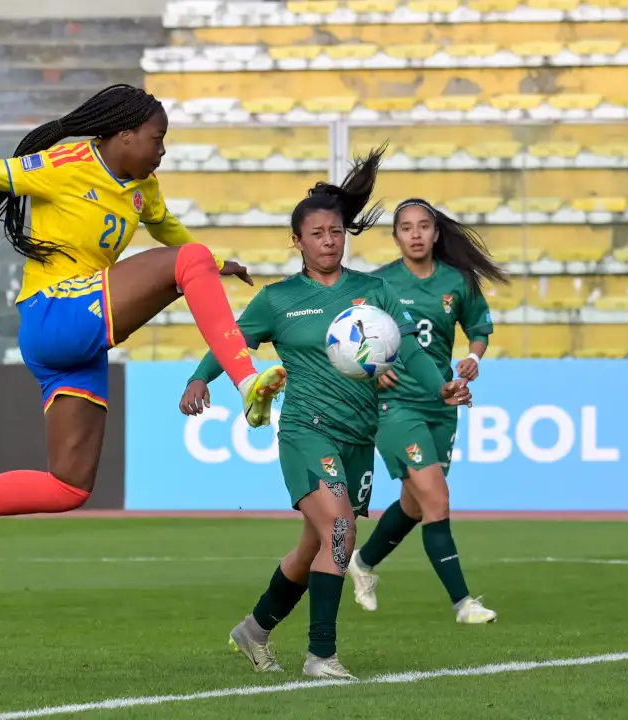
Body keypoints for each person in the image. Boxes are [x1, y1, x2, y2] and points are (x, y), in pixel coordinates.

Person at [0, 84, 286, 583]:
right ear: (124, 135)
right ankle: (247, 381)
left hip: (76, 341)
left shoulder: (144, 188)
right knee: (190, 261)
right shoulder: (64, 164)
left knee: (69, 486)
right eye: (158, 138)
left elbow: (167, 229)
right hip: (54, 311)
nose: (163, 150)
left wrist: (214, 263)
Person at [178, 148, 473, 680]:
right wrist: (200, 378)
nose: (329, 241)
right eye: (316, 234)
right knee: (340, 530)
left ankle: (254, 630)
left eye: (336, 232)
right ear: (297, 241)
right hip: (306, 431)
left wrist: (441, 386)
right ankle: (321, 656)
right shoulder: (279, 300)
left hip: (359, 436)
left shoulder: (374, 290)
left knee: (313, 549)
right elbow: (231, 341)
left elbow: (408, 346)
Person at [346, 198, 508, 624]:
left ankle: (362, 562)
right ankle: (463, 603)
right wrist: (371, 370)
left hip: (441, 401)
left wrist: (473, 356)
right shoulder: (380, 284)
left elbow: (478, 328)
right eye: (406, 227)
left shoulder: (457, 281)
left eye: (423, 226)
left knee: (415, 505)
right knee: (437, 499)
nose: (415, 234)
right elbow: (350, 336)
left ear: (436, 233)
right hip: (394, 406)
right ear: (396, 236)